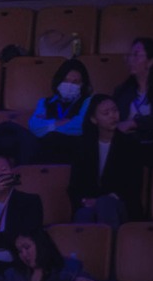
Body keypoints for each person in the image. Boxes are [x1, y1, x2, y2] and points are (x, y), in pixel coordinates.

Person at [69, 95, 142, 225]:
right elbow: (76, 184)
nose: (113, 116)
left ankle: (112, 244)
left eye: (115, 111)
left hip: (121, 203)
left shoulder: (130, 145)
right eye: (106, 113)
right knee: (84, 213)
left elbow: (133, 184)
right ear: (93, 119)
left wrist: (105, 199)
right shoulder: (83, 146)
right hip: (90, 203)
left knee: (105, 204)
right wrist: (85, 200)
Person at [26, 58, 94, 164]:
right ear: (58, 81)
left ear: (83, 85)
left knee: (53, 138)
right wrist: (57, 124)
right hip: (46, 148)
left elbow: (81, 126)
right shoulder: (44, 102)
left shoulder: (88, 102)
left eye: (75, 82)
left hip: (74, 148)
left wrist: (47, 126)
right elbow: (34, 126)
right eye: (66, 80)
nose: (69, 85)